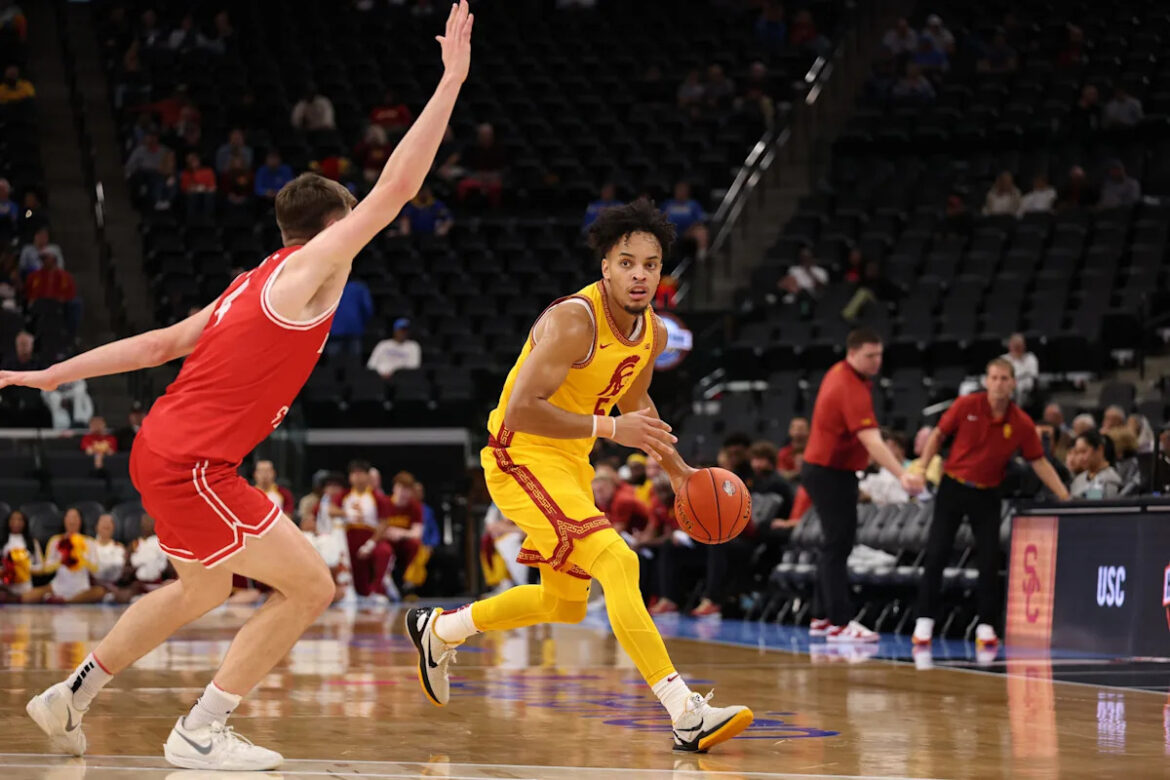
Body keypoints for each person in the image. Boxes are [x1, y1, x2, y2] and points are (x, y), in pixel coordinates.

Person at [6, 6, 473, 769]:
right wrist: (450, 81)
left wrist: (54, 371)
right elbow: (396, 188)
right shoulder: (306, 271)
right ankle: (200, 731)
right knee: (312, 588)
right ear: (331, 229)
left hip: (162, 449)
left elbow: (159, 344)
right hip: (194, 463)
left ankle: (72, 695)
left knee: (202, 589)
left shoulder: (249, 281)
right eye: (349, 228)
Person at [403, 198, 753, 752]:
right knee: (619, 560)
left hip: (569, 463)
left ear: (662, 272)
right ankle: (685, 712)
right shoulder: (575, 320)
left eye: (651, 264)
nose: (639, 275)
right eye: (627, 262)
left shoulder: (653, 333)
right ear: (606, 267)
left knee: (563, 604)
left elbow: (635, 403)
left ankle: (441, 630)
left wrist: (680, 471)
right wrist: (610, 430)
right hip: (519, 456)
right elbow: (521, 410)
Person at [911, 359, 1070, 647]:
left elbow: (1038, 461)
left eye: (1004, 378)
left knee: (989, 558)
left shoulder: (1021, 422)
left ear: (1013, 383)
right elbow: (938, 435)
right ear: (987, 381)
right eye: (994, 378)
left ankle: (986, 625)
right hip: (953, 486)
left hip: (987, 493)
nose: (998, 383)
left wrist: (1064, 495)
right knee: (937, 552)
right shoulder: (966, 405)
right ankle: (924, 621)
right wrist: (922, 467)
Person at [803, 328, 925, 643]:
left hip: (824, 469)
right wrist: (902, 475)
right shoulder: (850, 387)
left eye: (879, 355)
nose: (876, 361)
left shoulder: (839, 372)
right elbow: (872, 440)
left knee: (833, 543)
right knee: (838, 545)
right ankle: (840, 623)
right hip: (831, 472)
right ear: (853, 353)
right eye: (870, 356)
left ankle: (821, 616)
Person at [22, 508, 105, 604]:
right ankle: (56, 598)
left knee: (100, 592)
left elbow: (96, 569)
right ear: (64, 520)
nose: (72, 520)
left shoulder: (89, 541)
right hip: (57, 586)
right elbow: (47, 568)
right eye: (69, 517)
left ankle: (67, 601)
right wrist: (61, 561)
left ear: (80, 521)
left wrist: (81, 559)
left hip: (82, 588)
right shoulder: (55, 540)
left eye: (75, 517)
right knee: (27, 597)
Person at [1069, 431, 1123, 499]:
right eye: (1077, 452)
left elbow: (1094, 500)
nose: (1080, 458)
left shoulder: (1110, 479)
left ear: (1100, 449)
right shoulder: (1078, 480)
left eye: (1084, 451)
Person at [1002, 333, 1038, 405]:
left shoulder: (1030, 358)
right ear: (1009, 346)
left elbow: (1033, 375)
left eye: (1019, 346)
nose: (1016, 349)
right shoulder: (1003, 359)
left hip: (1026, 390)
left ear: (1024, 346)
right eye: (1014, 346)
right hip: (1007, 389)